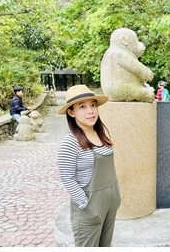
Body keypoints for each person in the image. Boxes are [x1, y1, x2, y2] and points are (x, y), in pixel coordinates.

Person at [56, 85, 120, 247]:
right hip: (89, 209)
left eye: (93, 105)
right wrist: (87, 205)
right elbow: (67, 177)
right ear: (71, 112)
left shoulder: (100, 133)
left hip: (110, 205)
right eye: (82, 107)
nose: (90, 111)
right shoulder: (70, 142)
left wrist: (116, 196)